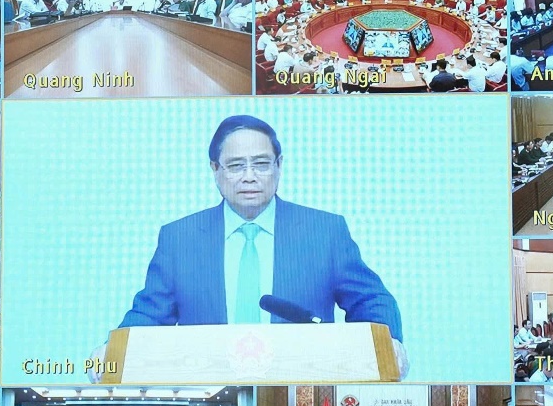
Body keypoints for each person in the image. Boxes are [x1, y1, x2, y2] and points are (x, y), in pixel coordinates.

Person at [116, 115, 406, 370]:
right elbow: (149, 315)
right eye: (235, 166)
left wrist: (387, 342)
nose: (249, 177)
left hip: (300, 389)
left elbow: (371, 300)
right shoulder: (180, 239)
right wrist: (112, 353)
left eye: (261, 164)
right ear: (215, 170)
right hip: (211, 391)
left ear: (279, 166)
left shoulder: (324, 231)